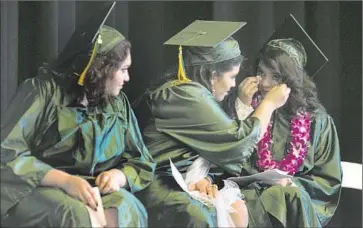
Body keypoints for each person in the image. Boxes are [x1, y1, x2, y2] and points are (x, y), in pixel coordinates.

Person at [1, 2, 155, 227]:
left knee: (127, 209)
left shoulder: (117, 103)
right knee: (76, 214)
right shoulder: (43, 92)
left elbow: (140, 160)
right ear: (100, 70)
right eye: (122, 70)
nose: (128, 78)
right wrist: (64, 181)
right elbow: (7, 154)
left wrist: (118, 177)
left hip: (93, 188)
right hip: (39, 187)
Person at [134, 20, 291, 227]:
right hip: (159, 182)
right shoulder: (183, 94)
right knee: (207, 214)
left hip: (185, 178)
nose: (234, 84)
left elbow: (213, 150)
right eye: (232, 76)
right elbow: (236, 141)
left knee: (237, 209)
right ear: (213, 74)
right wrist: (269, 104)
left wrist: (205, 179)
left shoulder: (195, 93)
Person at [221, 14, 343, 228]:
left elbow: (327, 182)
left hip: (294, 203)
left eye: (275, 77)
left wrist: (292, 182)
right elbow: (226, 162)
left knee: (287, 196)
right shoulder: (244, 106)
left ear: (292, 80)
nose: (265, 84)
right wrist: (241, 109)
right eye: (261, 72)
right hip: (247, 200)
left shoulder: (318, 120)